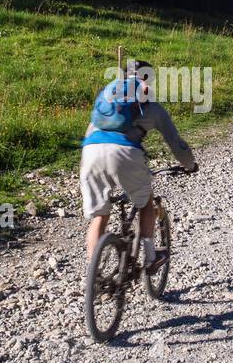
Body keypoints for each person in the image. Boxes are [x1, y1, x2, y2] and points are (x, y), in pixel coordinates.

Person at [80, 59, 197, 276]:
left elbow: (90, 132)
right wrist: (189, 165)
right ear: (148, 80)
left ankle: (94, 277)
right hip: (125, 153)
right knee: (146, 203)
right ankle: (151, 258)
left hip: (90, 151)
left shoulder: (107, 99)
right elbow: (176, 144)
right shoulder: (150, 105)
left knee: (100, 215)